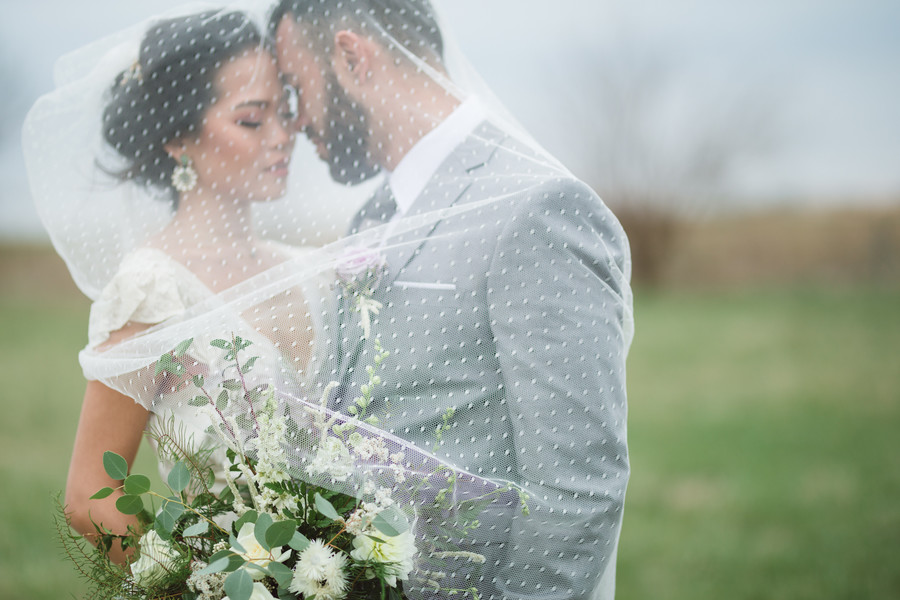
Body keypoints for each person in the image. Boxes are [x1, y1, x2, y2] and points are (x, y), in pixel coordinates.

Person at [268, 1, 634, 598]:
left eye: (295, 86)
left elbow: (578, 488)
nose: (296, 120)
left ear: (353, 57)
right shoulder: (372, 216)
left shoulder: (536, 208)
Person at [34, 10, 304, 563]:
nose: (284, 138)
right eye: (253, 121)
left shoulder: (310, 270)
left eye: (287, 114)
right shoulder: (150, 287)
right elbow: (90, 497)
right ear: (179, 139)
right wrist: (194, 582)